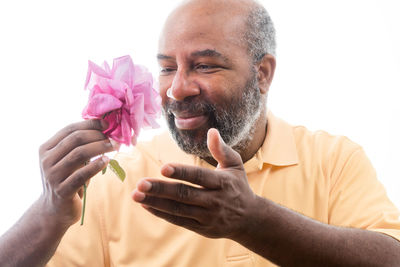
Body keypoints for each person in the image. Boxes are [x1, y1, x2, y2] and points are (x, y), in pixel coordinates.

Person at [1, 0, 400, 266]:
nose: (177, 89)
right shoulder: (113, 180)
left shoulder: (333, 161)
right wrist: (49, 213)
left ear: (262, 74)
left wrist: (253, 221)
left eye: (205, 66)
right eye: (167, 67)